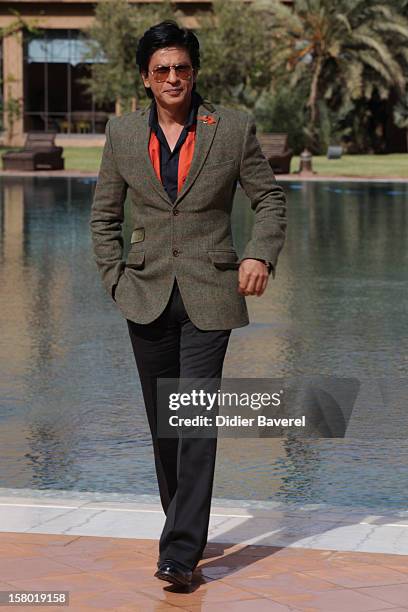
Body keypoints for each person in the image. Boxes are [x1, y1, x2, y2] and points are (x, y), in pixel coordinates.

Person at [90, 20, 287, 587]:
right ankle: (182, 526)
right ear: (146, 79)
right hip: (145, 295)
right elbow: (104, 216)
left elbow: (268, 199)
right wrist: (114, 279)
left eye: (182, 67)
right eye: (162, 70)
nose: (173, 77)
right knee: (165, 428)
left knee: (195, 420)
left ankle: (180, 552)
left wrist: (260, 255)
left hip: (211, 294)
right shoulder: (123, 133)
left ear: (193, 72)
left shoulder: (232, 127)